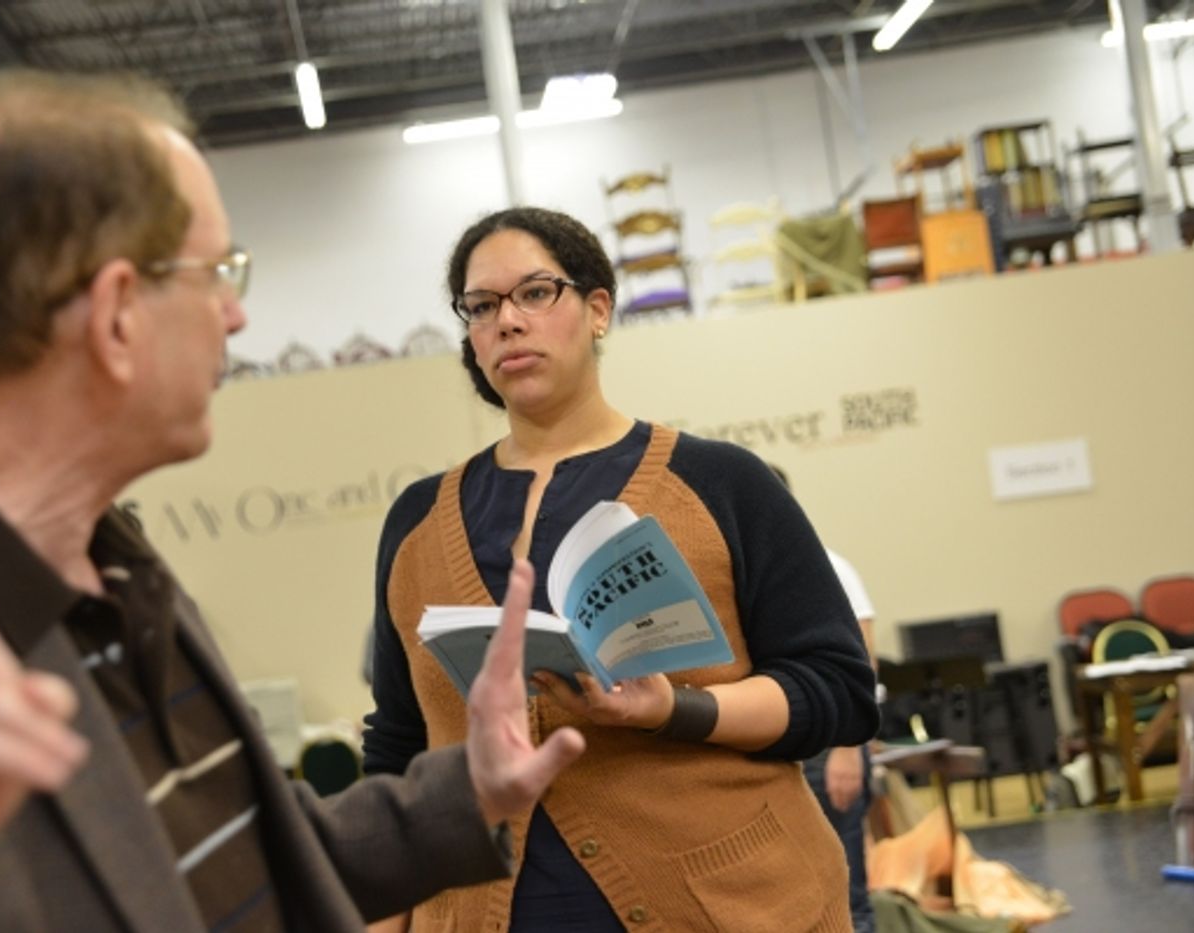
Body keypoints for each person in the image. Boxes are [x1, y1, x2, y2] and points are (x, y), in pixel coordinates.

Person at [0, 71, 585, 933]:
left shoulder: (108, 555)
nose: (236, 316)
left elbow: (253, 856)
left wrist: (469, 788)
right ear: (115, 315)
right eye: (217, 273)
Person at [362, 206, 880, 932]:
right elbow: (396, 746)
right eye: (481, 306)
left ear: (598, 307)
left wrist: (677, 709)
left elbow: (838, 688)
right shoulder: (416, 522)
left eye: (536, 292)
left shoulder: (723, 482)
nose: (507, 321)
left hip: (730, 906)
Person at [769, 464, 880, 933]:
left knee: (849, 895)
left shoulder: (828, 566)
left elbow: (863, 664)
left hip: (828, 746)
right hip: (780, 746)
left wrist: (849, 749)